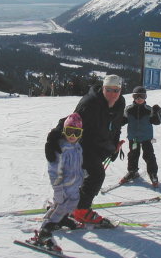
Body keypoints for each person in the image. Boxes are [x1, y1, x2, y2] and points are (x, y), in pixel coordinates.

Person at [45, 74, 125, 226]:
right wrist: (53, 137)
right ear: (103, 88)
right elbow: (70, 120)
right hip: (84, 145)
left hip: (100, 146)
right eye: (109, 90)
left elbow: (116, 126)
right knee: (96, 174)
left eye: (116, 90)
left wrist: (113, 146)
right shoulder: (90, 103)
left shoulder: (120, 103)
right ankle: (81, 210)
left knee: (83, 176)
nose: (113, 94)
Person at [30, 113, 84, 251]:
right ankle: (44, 233)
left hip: (73, 186)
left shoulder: (77, 147)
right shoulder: (61, 148)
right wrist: (58, 189)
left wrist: (83, 175)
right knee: (61, 207)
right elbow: (54, 172)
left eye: (76, 132)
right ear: (64, 131)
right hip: (63, 187)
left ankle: (61, 219)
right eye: (69, 131)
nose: (72, 135)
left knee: (70, 205)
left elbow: (77, 165)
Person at [121, 86, 161, 187]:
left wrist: (158, 113)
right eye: (136, 96)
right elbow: (122, 121)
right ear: (133, 97)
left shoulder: (149, 110)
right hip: (133, 138)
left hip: (146, 138)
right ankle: (132, 171)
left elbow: (157, 122)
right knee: (133, 155)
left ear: (145, 97)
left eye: (142, 96)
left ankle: (153, 174)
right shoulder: (128, 110)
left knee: (149, 155)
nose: (139, 99)